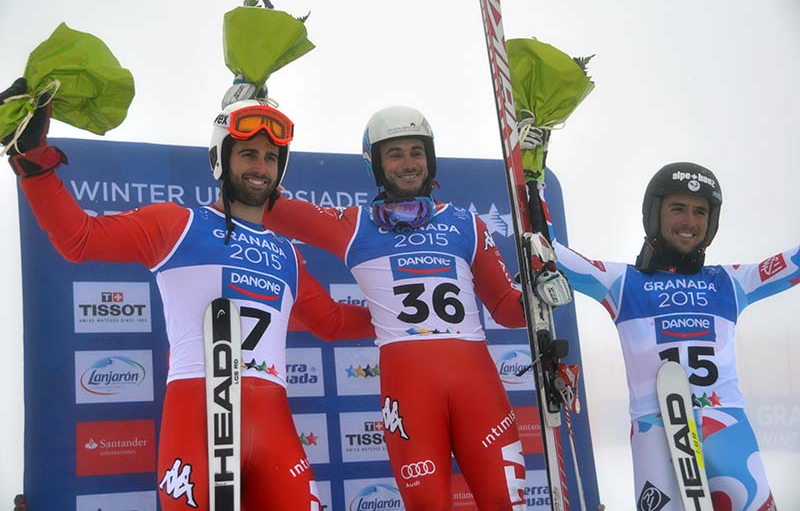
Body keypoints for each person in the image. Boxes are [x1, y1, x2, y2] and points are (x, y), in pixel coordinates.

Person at [1, 78, 375, 511]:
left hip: (275, 434)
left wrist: (393, 317)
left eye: (272, 158)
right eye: (249, 153)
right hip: (197, 428)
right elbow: (78, 239)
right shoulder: (177, 226)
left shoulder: (287, 254)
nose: (261, 166)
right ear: (221, 158)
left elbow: (331, 322)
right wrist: (32, 159)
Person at [262, 105, 572, 509]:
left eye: (416, 152)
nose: (408, 163)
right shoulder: (355, 225)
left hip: (478, 390)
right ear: (376, 164)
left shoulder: (465, 224)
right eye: (395, 154)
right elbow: (269, 206)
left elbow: (507, 311)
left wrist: (536, 292)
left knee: (505, 502)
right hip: (410, 396)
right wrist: (252, 126)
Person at [546, 160, 791, 510]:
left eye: (700, 212)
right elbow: (549, 252)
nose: (690, 222)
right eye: (678, 208)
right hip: (654, 430)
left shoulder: (732, 282)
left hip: (726, 426)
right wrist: (534, 177)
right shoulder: (623, 282)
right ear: (654, 214)